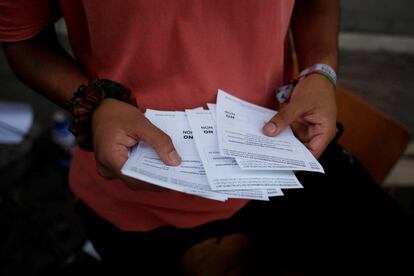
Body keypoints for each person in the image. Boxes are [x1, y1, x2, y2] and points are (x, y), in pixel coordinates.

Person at [1, 0, 412, 274]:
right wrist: (95, 104)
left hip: (280, 154)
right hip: (133, 192)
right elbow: (22, 35)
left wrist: (320, 71)